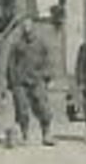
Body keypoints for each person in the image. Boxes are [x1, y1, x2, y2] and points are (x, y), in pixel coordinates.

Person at [6, 17, 56, 146]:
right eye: (24, 27)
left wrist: (46, 76)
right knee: (22, 109)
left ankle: (46, 134)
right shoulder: (17, 45)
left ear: (33, 28)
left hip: (37, 79)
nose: (27, 30)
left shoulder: (41, 43)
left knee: (43, 107)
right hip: (20, 81)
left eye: (29, 27)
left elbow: (49, 61)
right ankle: (25, 135)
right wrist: (12, 81)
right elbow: (11, 63)